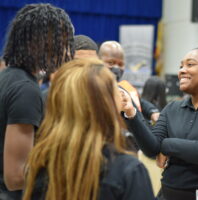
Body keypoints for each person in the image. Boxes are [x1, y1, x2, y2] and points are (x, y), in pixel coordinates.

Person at [121, 33, 198, 200]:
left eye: (190, 65)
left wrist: (166, 145)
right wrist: (132, 114)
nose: (182, 71)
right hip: (167, 195)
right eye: (181, 66)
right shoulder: (172, 108)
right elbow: (151, 148)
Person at [23, 58, 155, 200]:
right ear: (107, 104)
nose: (121, 93)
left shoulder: (39, 162)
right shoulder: (128, 172)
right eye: (115, 88)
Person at [0, 3, 74, 199]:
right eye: (61, 41)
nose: (66, 52)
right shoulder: (26, 90)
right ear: (37, 42)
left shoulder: (7, 77)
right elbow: (15, 176)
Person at [99, 41, 160, 122]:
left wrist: (153, 112)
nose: (116, 68)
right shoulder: (93, 89)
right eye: (111, 62)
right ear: (98, 62)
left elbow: (139, 102)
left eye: (120, 64)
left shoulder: (125, 87)